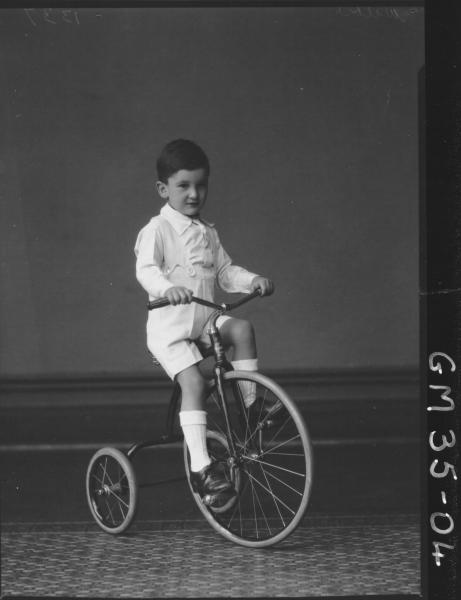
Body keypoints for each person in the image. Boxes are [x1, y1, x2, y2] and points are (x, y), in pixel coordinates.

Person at [134, 139, 274, 506]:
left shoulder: (207, 231)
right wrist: (169, 287)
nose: (194, 194)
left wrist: (253, 280)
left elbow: (226, 272)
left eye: (200, 185)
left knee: (242, 329)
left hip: (204, 322)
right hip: (171, 331)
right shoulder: (158, 230)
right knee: (194, 380)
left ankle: (250, 406)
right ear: (163, 189)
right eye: (183, 186)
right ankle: (202, 468)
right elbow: (146, 270)